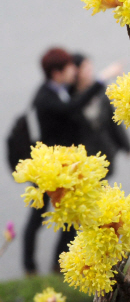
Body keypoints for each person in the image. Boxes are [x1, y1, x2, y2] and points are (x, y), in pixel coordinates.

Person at [22, 47, 120, 274]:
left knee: (70, 219)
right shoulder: (45, 97)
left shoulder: (60, 90)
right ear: (57, 72)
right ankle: (29, 268)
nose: (74, 71)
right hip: (48, 170)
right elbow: (72, 108)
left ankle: (59, 264)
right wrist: (101, 79)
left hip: (64, 169)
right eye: (69, 67)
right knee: (37, 218)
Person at [71, 53, 130, 176]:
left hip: (105, 150)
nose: (89, 72)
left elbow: (113, 120)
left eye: (90, 68)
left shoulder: (100, 93)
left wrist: (125, 145)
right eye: (85, 68)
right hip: (82, 157)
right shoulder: (70, 99)